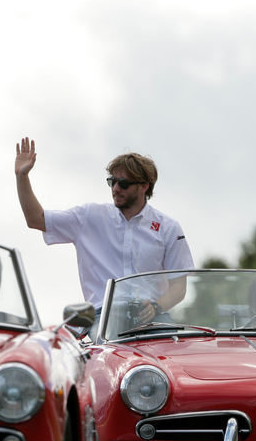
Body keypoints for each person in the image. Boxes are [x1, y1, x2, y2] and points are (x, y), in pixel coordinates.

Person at [14, 137, 193, 330]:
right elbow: (35, 219)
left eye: (123, 184)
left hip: (153, 316)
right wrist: (21, 177)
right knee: (105, 345)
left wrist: (156, 306)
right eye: (112, 182)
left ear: (144, 186)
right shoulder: (89, 216)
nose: (115, 188)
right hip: (103, 317)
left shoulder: (169, 228)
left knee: (177, 351)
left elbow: (178, 288)